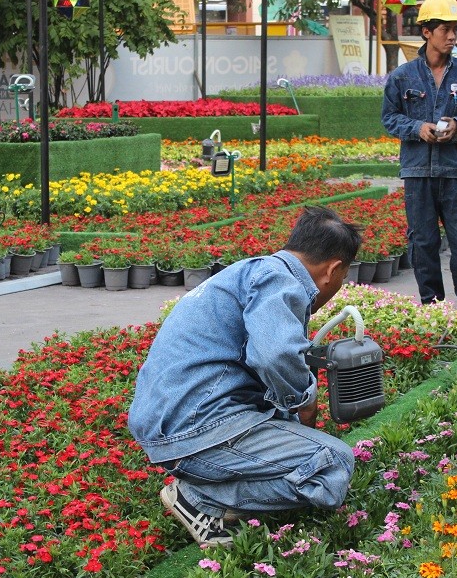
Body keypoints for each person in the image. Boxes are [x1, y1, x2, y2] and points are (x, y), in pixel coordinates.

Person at [128, 206, 360, 547]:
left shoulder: (252, 272)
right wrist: (305, 402)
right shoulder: (280, 280)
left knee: (303, 442)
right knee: (332, 465)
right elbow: (274, 355)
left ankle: (210, 491)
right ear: (333, 270)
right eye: (343, 276)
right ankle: (200, 499)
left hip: (173, 421)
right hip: (197, 426)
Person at [381, 0, 457, 312]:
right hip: (417, 174)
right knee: (423, 245)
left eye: (456, 29)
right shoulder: (402, 76)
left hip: (455, 173)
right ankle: (433, 309)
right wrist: (418, 129)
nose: (453, 36)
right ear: (427, 31)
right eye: (446, 29)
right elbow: (389, 118)